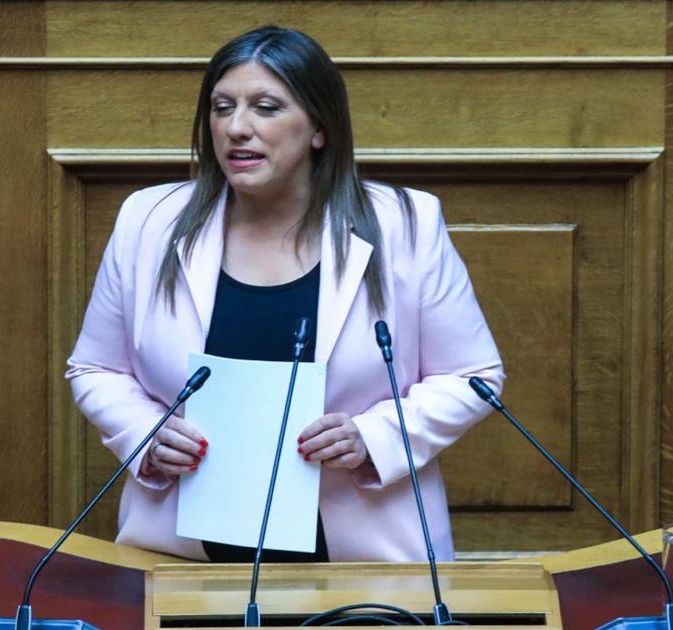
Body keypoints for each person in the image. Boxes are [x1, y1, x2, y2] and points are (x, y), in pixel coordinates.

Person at [66, 25, 504, 563]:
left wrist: (375, 436)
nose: (236, 128)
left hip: (360, 563)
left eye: (266, 108)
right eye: (222, 108)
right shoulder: (150, 220)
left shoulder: (405, 224)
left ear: (319, 127)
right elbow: (95, 369)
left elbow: (473, 377)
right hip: (183, 558)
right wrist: (147, 436)